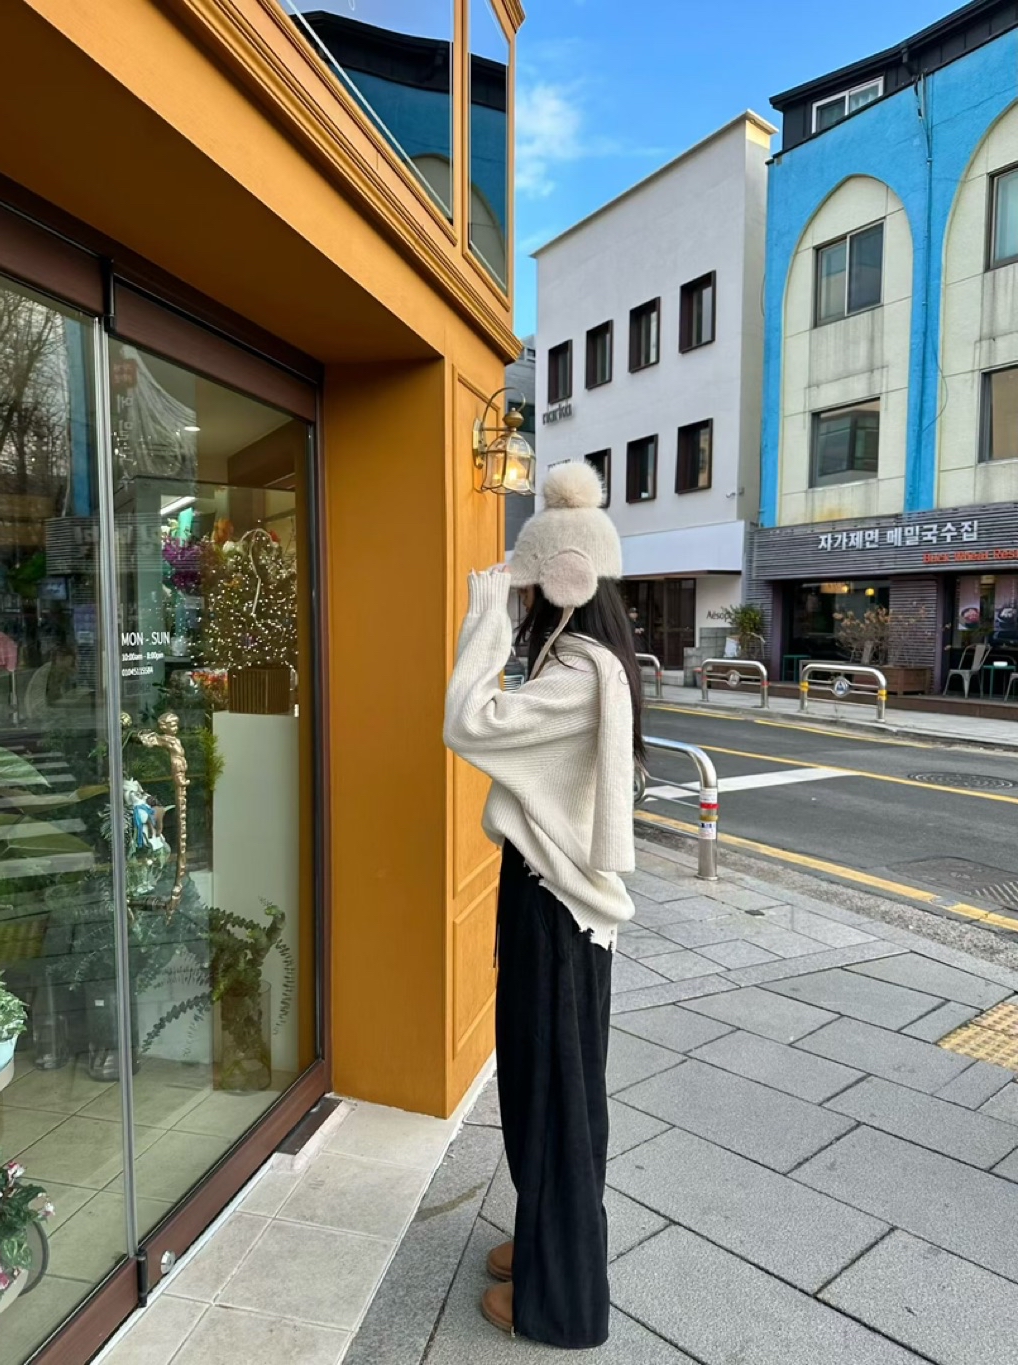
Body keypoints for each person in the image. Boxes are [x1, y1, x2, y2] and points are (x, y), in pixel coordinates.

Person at [444, 461, 645, 1348]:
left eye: (527, 587)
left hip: (556, 906)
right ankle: (543, 1240)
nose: (519, 600)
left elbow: (467, 722)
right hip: (554, 903)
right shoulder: (588, 661)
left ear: (562, 582)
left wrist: (484, 620)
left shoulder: (574, 674)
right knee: (544, 1085)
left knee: (556, 1095)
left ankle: (561, 1299)